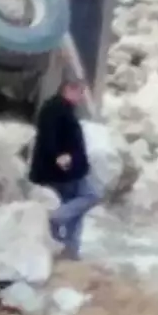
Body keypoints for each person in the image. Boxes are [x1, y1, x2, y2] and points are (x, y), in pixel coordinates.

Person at [28, 76, 101, 261]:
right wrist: (58, 156)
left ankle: (70, 250)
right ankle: (56, 218)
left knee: (76, 209)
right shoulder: (55, 109)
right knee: (90, 196)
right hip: (63, 170)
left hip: (70, 169)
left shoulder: (61, 108)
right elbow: (48, 136)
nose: (82, 97)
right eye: (80, 92)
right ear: (69, 89)